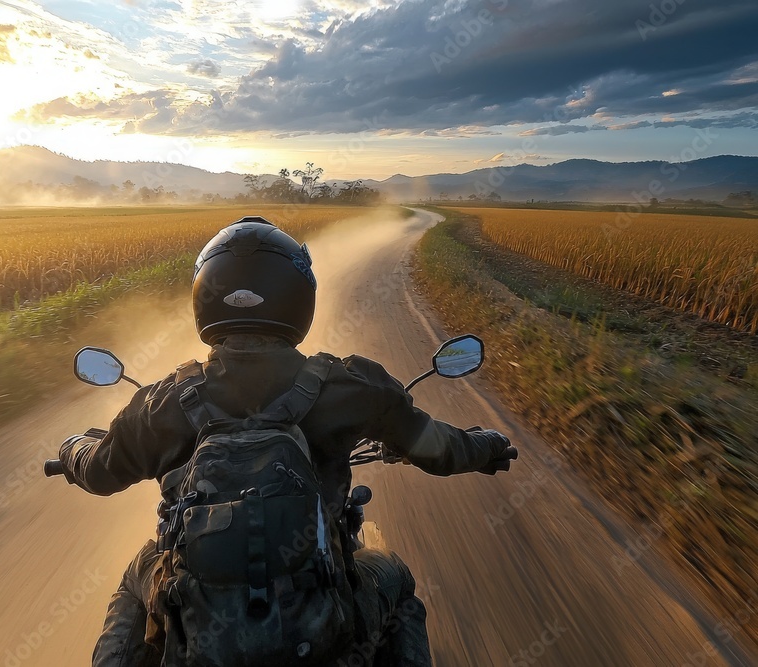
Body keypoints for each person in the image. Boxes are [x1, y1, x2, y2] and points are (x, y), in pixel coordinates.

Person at [58, 216, 518, 666]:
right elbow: (443, 450)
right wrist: (491, 444)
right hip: (324, 624)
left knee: (135, 578)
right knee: (396, 580)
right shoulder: (351, 385)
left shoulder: (163, 402)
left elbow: (98, 473)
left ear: (205, 295)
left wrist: (71, 448)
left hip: (194, 622)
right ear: (300, 296)